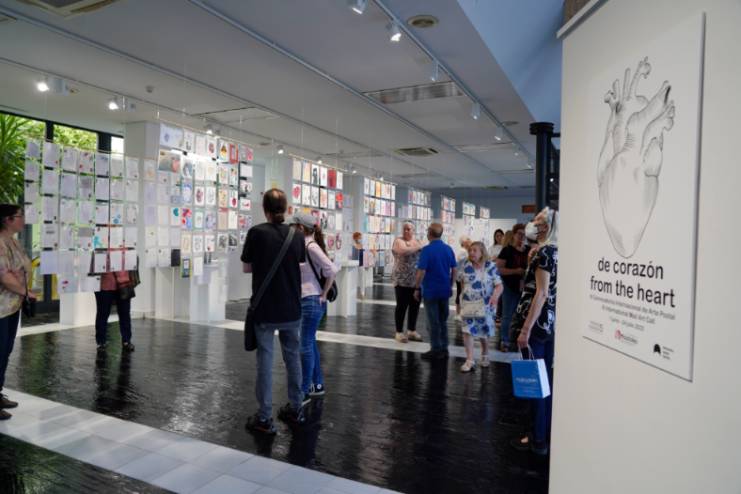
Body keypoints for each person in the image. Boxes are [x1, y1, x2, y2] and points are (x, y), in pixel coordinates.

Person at [242, 189, 307, 434]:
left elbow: (247, 268)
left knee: (265, 362)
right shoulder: (297, 235)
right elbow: (299, 264)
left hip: (266, 308)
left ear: (264, 209)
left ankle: (265, 417)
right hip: (292, 307)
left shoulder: (256, 232)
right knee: (293, 358)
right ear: (287, 208)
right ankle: (296, 408)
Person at [511, 207, 558, 455]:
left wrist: (525, 330)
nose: (533, 224)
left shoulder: (545, 253)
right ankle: (544, 432)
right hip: (550, 325)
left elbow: (540, 294)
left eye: (537, 221)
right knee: (546, 381)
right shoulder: (557, 251)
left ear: (546, 227)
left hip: (536, 327)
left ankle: (538, 438)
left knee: (536, 383)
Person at [291, 211, 338, 403]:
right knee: (309, 343)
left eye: (294, 226)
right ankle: (317, 384)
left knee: (304, 346)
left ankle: (304, 391)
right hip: (308, 299)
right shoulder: (305, 245)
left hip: (311, 301)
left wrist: (324, 294)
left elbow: (332, 269)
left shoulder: (311, 247)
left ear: (301, 228)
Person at [0, 205, 35, 420]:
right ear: (7, 219)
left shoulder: (13, 241)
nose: (23, 220)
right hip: (2, 308)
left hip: (12, 305)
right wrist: (25, 291)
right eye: (20, 216)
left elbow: (19, 269)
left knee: (5, 350)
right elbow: (4, 276)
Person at [457, 242, 503, 372]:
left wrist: (495, 296)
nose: (471, 252)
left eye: (475, 250)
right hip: (468, 305)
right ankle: (470, 360)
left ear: (482, 252)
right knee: (467, 331)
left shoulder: (490, 266)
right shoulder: (465, 265)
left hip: (486, 305)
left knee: (484, 332)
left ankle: (485, 353)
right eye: (470, 250)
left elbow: (499, 285)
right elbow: (461, 282)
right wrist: (463, 297)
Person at [414, 223, 457, 360]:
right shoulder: (448, 249)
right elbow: (454, 269)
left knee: (432, 322)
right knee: (443, 320)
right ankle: (444, 348)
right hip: (444, 290)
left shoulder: (426, 250)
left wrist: (417, 288)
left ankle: (436, 349)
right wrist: (451, 285)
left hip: (431, 290)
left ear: (429, 233)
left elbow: (421, 271)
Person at [496, 224, 529, 351]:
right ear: (514, 235)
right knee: (507, 316)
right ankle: (504, 341)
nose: (522, 237)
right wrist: (516, 271)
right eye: (519, 234)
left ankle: (519, 340)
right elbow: (499, 269)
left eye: (524, 234)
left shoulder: (528, 250)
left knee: (523, 316)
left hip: (525, 289)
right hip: (509, 287)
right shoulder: (507, 250)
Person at [94, 256, 136, 352]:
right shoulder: (101, 247)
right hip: (104, 286)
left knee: (125, 314)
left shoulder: (126, 248)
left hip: (123, 285)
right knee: (102, 314)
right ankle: (101, 342)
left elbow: (131, 262)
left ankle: (126, 341)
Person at [391, 222, 423, 343]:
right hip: (401, 280)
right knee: (401, 306)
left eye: (409, 229)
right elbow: (403, 251)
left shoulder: (417, 241)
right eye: (404, 229)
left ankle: (411, 330)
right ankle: (399, 332)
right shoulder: (398, 241)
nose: (406, 231)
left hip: (416, 280)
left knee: (415, 306)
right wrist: (418, 247)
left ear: (413, 230)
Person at [454, 236, 472, 322]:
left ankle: (461, 313)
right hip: (461, 277)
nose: (469, 241)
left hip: (464, 276)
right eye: (467, 240)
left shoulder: (466, 251)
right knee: (461, 293)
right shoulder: (463, 251)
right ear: (463, 243)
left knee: (462, 294)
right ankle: (459, 313)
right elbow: (458, 264)